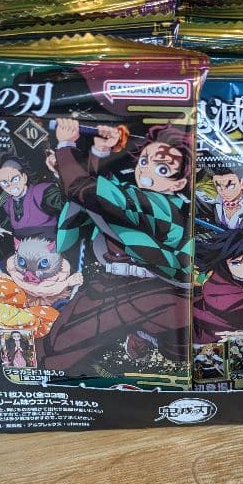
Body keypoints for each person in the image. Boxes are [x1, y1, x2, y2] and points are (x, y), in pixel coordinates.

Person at [37, 118, 195, 377]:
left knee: (60, 351)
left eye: (162, 169)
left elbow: (90, 193)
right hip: (113, 283)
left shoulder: (161, 207)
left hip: (153, 290)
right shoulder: (133, 195)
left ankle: (146, 337)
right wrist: (100, 151)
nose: (146, 172)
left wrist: (66, 147)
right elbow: (99, 193)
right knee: (52, 344)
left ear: (178, 184)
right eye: (144, 162)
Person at [0, 150, 63, 246]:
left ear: (24, 177)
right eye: (4, 183)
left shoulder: (42, 192)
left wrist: (59, 173)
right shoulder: (8, 203)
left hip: (49, 249)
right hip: (21, 251)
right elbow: (10, 224)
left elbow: (66, 204)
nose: (11, 186)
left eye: (15, 179)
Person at [197, 164, 243, 229]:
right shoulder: (209, 194)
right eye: (218, 186)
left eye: (230, 186)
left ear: (242, 183)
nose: (224, 192)